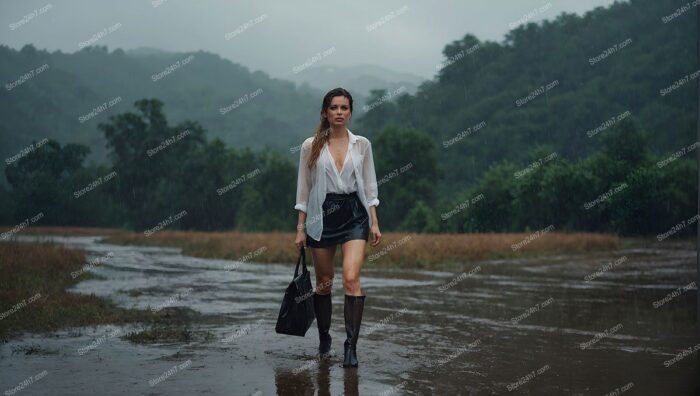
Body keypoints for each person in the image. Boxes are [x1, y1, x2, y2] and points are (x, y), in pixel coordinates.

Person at [294, 87, 382, 368]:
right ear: (325, 112)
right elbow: (304, 188)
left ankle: (350, 346)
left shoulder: (362, 144)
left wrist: (374, 221)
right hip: (322, 216)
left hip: (355, 214)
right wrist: (300, 227)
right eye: (334, 108)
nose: (339, 112)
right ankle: (324, 338)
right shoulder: (311, 145)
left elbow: (369, 185)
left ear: (351, 112)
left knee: (352, 278)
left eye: (344, 108)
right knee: (324, 283)